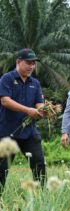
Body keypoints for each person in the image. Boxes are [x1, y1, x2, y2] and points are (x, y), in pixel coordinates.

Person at [0, 48, 46, 191]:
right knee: (2, 167)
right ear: (18, 62)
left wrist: (43, 110)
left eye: (33, 63)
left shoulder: (35, 83)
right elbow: (5, 101)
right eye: (28, 63)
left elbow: (39, 103)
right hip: (8, 131)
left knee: (39, 163)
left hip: (29, 131)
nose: (32, 66)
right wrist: (28, 110)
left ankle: (42, 196)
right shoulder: (7, 79)